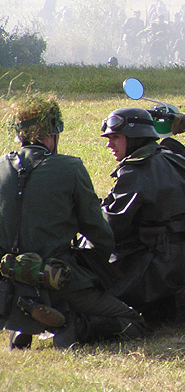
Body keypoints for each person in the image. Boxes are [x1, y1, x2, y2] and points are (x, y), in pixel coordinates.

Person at [0, 96, 146, 349]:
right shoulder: (70, 168)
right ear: (51, 135)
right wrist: (97, 269)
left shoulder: (1, 167)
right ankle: (71, 323)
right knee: (133, 322)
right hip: (58, 278)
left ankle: (24, 317)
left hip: (10, 280)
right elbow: (98, 232)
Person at [100, 108, 185, 325]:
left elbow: (109, 229)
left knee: (88, 279)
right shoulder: (182, 162)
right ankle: (184, 304)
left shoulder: (134, 171)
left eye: (116, 137)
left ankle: (163, 308)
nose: (109, 144)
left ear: (135, 137)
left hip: (156, 272)